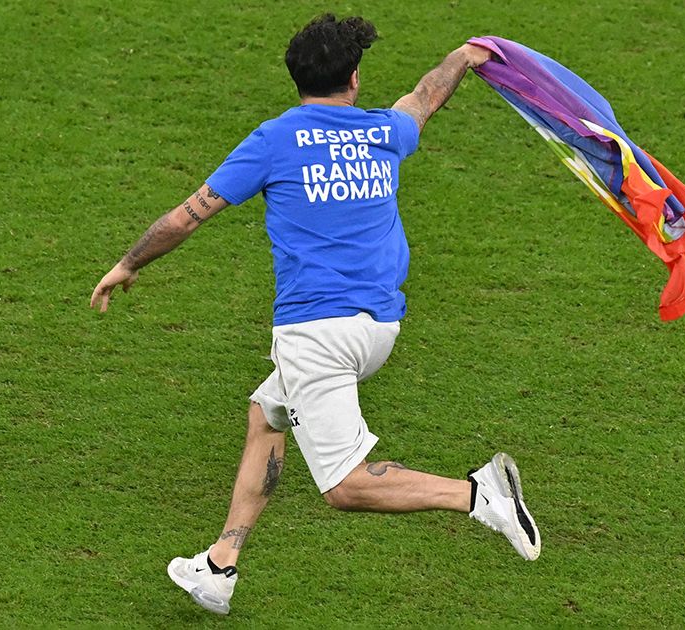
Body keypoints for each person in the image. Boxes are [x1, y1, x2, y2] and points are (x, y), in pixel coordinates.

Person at [89, 14, 540, 615]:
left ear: (295, 79)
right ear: (353, 78)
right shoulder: (381, 131)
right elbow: (424, 97)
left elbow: (186, 217)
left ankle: (479, 494)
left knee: (344, 487)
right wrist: (462, 57)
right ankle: (221, 565)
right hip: (378, 328)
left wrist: (127, 263)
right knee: (267, 413)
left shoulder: (275, 140)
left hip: (316, 337)